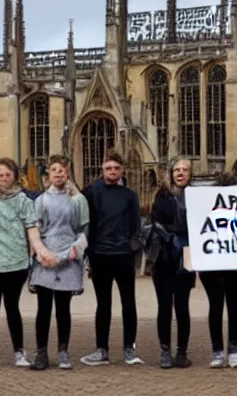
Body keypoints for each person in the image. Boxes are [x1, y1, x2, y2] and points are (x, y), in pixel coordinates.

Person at [0, 158, 48, 368]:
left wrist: (40, 251)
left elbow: (32, 230)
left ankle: (19, 351)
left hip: (16, 263)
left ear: (15, 176)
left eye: (7, 175)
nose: (4, 178)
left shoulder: (24, 202)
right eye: (0, 175)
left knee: (12, 307)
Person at [80, 150, 143, 367]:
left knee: (128, 303)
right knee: (103, 304)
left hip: (123, 255)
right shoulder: (91, 192)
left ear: (122, 170)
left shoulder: (129, 195)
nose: (112, 172)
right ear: (102, 170)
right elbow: (82, 218)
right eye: (108, 168)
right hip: (100, 256)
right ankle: (102, 350)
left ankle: (128, 348)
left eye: (116, 168)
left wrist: (130, 246)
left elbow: (137, 225)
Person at [28, 155, 89, 370]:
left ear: (67, 172)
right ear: (49, 174)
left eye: (61, 170)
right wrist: (41, 254)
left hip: (68, 256)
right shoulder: (40, 200)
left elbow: (83, 229)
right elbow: (34, 229)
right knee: (43, 308)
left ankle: (63, 351)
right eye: (54, 170)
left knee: (63, 308)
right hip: (45, 258)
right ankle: (41, 353)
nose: (58, 173)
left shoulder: (78, 200)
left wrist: (75, 251)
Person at [201, 154, 237, 369]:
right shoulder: (208, 209)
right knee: (218, 307)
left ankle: (232, 350)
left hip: (236, 264)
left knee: (233, 307)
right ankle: (219, 351)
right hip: (213, 265)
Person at [149, 157, 195, 369]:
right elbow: (155, 223)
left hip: (187, 255)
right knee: (164, 306)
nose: (180, 173)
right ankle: (165, 350)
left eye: (185, 170)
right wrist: (170, 237)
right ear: (171, 173)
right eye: (177, 169)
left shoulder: (197, 197)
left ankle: (182, 352)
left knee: (183, 306)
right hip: (164, 256)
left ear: (190, 174)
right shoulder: (162, 196)